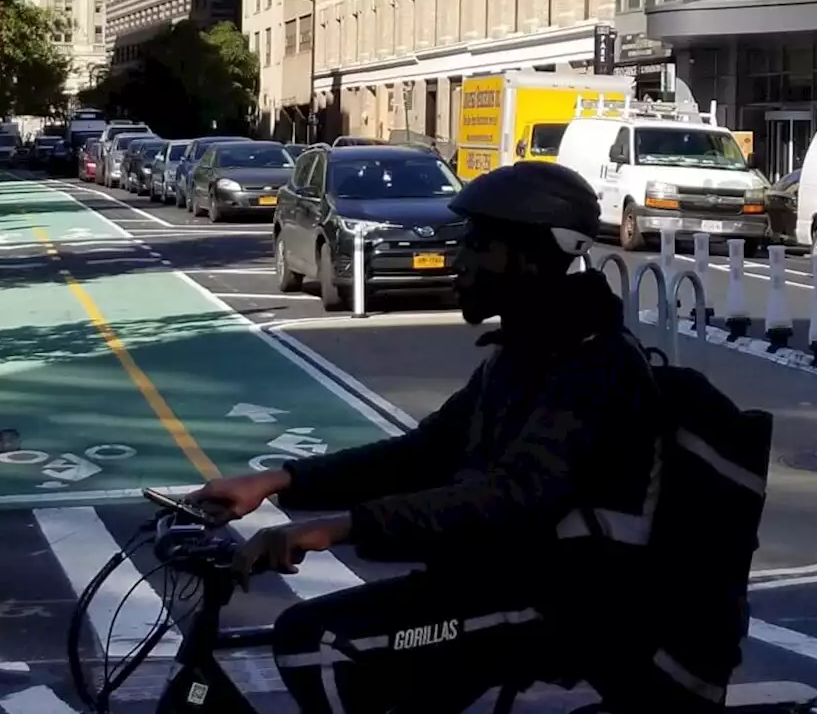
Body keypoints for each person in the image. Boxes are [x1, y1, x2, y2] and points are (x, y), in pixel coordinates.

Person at [189, 161, 668, 713]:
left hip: (566, 600)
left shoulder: (593, 365)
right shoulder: (522, 353)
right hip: (493, 581)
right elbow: (421, 454)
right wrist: (279, 481)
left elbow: (516, 494)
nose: (458, 260)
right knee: (333, 645)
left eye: (479, 244)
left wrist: (339, 529)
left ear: (530, 258)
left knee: (313, 643)